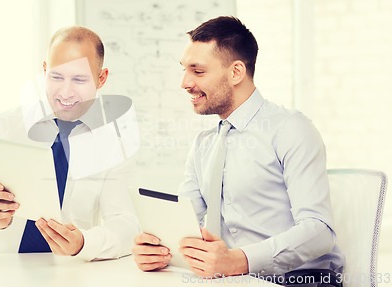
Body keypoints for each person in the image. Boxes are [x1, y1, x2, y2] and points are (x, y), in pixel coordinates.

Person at [132, 16, 344, 283]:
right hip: (237, 279)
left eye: (198, 71)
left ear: (235, 72)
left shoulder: (291, 129)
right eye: (184, 70)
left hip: (300, 279)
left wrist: (239, 260)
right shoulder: (204, 143)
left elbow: (320, 231)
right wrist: (157, 248)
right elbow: (183, 221)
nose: (185, 83)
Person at [0, 26, 140, 260]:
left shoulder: (114, 146)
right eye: (56, 77)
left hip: (69, 275)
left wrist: (84, 243)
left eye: (79, 79)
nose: (66, 92)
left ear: (101, 78)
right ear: (44, 71)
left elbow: (126, 224)